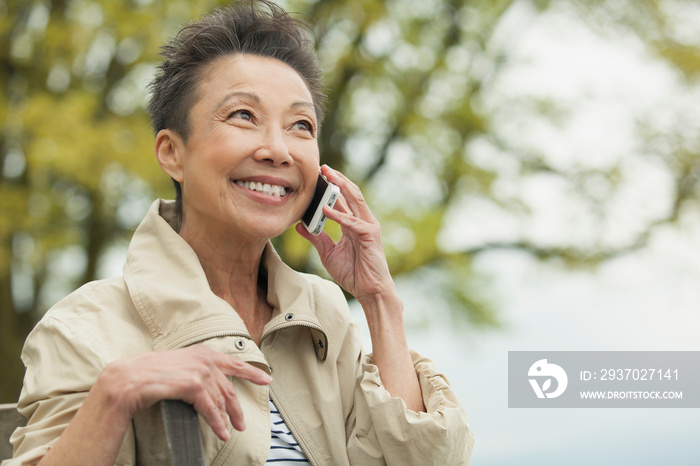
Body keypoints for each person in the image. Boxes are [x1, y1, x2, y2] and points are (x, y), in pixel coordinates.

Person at [4, 1, 474, 465]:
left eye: (300, 126)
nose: (277, 149)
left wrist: (378, 300)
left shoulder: (322, 317)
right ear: (172, 153)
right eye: (243, 116)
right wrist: (114, 396)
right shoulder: (85, 327)